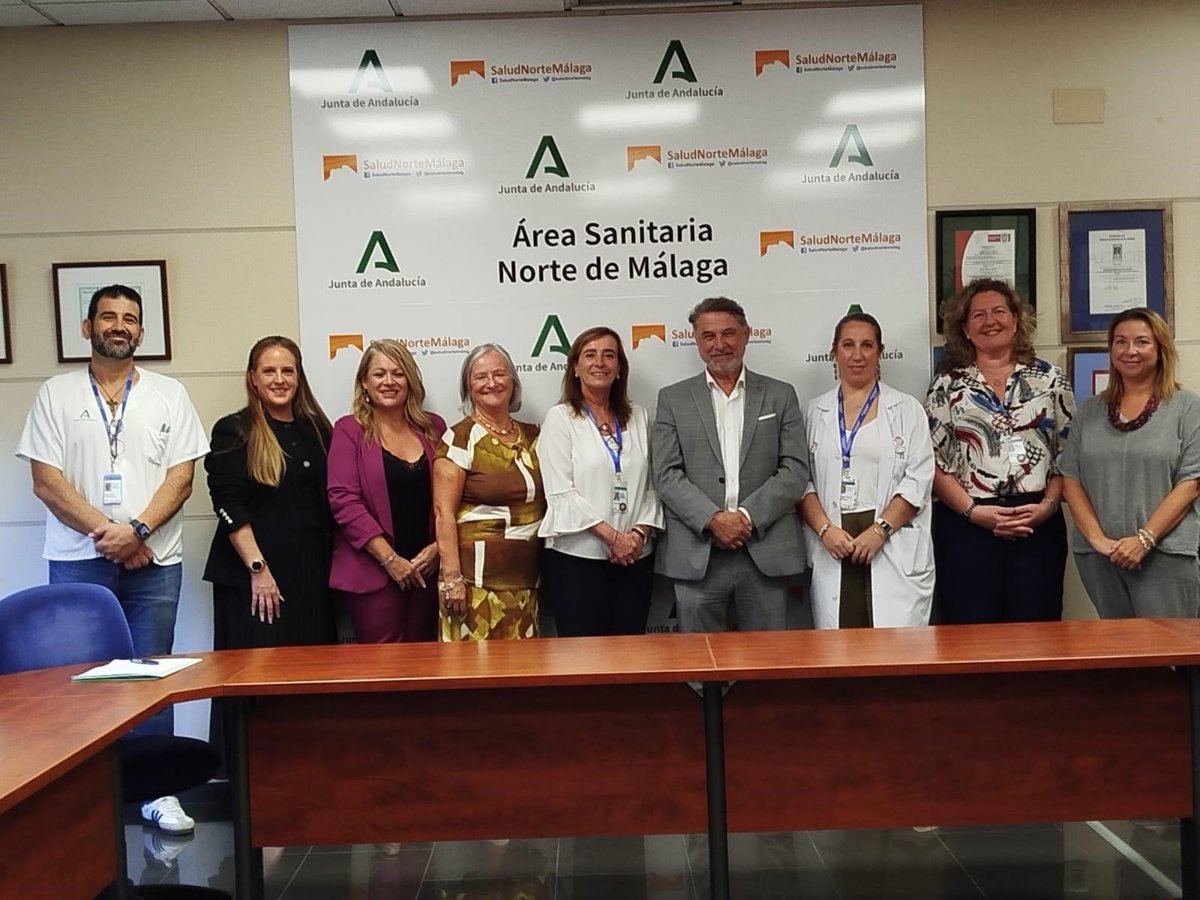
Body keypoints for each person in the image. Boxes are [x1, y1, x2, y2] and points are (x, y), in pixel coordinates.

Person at [15, 283, 208, 835]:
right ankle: (83, 796)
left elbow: (182, 478)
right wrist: (112, 534)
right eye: (108, 316)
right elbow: (46, 481)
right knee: (76, 678)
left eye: (129, 318)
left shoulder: (170, 394)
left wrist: (139, 531)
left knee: (152, 674)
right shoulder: (55, 393)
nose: (118, 326)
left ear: (141, 330)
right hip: (79, 561)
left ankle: (158, 792)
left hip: (155, 560)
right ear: (88, 327)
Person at [651, 296, 808, 633]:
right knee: (700, 660)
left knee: (768, 659)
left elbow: (795, 470)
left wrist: (746, 518)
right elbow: (665, 474)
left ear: (746, 334)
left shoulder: (781, 394)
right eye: (708, 336)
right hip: (698, 553)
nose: (719, 344)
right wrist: (713, 520)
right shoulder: (672, 399)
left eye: (728, 333)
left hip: (764, 549)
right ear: (696, 341)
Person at [925, 278, 1073, 623]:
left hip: (1037, 523)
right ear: (965, 328)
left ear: (1016, 320)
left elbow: (1068, 456)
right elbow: (932, 461)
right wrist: (973, 512)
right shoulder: (947, 384)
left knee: (1037, 631)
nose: (990, 321)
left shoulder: (1050, 379)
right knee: (970, 635)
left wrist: (1047, 507)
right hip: (967, 525)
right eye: (978, 315)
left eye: (999, 312)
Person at [1061, 308, 1200, 617]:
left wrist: (1144, 539)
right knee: (1118, 645)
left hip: (1165, 555)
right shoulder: (1089, 411)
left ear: (1161, 349)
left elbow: (1191, 483)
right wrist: (1097, 540)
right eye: (1121, 341)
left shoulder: (1188, 408)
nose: (1130, 350)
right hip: (1101, 557)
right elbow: (1070, 479)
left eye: (1142, 342)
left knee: (1170, 644)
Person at [799, 312, 935, 628]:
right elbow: (800, 481)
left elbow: (918, 479)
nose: (857, 355)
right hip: (835, 541)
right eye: (848, 345)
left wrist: (879, 531)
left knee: (895, 648)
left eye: (867, 345)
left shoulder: (907, 409)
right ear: (834, 352)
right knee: (839, 647)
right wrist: (825, 530)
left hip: (888, 539)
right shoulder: (813, 412)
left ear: (879, 352)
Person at [203, 335, 335, 649]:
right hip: (255, 578)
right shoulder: (235, 430)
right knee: (258, 672)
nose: (279, 380)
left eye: (288, 371)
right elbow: (228, 505)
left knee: (315, 670)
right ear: (253, 377)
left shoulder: (318, 430)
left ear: (299, 377)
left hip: (311, 576)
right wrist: (258, 570)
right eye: (269, 371)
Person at [538, 326, 663, 636]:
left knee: (631, 652)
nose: (600, 363)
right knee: (584, 655)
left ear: (619, 368)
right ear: (575, 367)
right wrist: (613, 538)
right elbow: (561, 493)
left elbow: (653, 485)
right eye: (590, 355)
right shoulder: (560, 419)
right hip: (578, 559)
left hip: (635, 556)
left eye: (609, 355)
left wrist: (636, 534)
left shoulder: (639, 416)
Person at [327, 339, 445, 643]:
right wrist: (390, 559)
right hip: (374, 573)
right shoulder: (349, 430)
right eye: (379, 374)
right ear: (364, 383)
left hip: (426, 570)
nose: (389, 381)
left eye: (398, 373)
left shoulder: (434, 428)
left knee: (426, 660)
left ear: (410, 381)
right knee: (382, 663)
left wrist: (438, 548)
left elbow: (451, 497)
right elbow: (343, 500)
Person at [434, 343, 545, 641]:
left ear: (513, 381)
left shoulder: (535, 436)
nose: (491, 382)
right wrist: (452, 579)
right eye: (481, 376)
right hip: (473, 587)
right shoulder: (459, 439)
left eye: (499, 374)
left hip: (525, 582)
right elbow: (443, 513)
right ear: (468, 387)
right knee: (471, 667)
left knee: (523, 667)